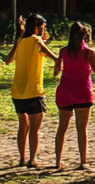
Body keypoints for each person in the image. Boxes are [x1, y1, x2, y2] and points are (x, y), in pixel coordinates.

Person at [52, 21, 95, 170]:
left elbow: (58, 69)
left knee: (62, 128)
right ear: (85, 35)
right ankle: (83, 161)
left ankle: (58, 161)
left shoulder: (63, 51)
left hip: (65, 91)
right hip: (83, 92)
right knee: (81, 129)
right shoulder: (89, 52)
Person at [10, 14, 59, 168]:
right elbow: (55, 57)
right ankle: (32, 160)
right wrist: (57, 70)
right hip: (34, 91)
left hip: (17, 91)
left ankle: (21, 159)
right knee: (34, 130)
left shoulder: (20, 41)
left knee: (22, 126)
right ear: (38, 27)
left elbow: (9, 58)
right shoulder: (37, 41)